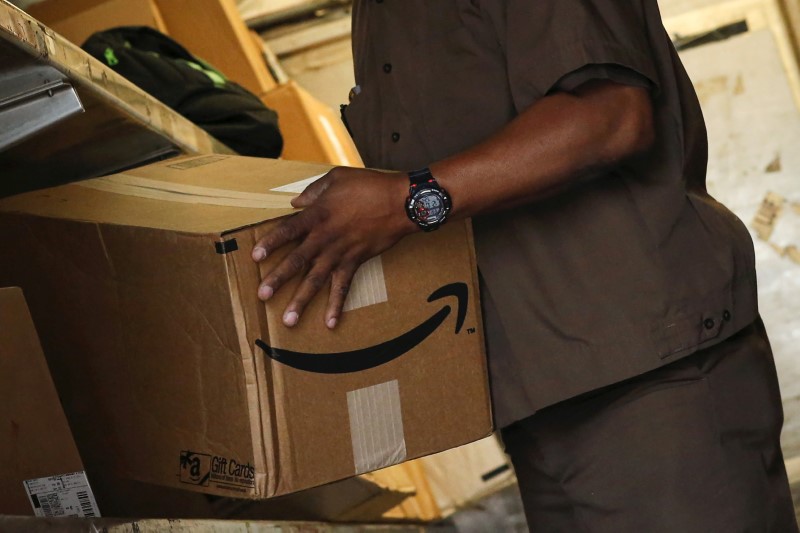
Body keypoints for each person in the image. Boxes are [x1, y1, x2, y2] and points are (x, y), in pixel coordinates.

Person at [251, 1, 798, 530]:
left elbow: (610, 117)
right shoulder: (374, 15)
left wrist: (408, 201)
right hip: (534, 401)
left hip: (648, 377)